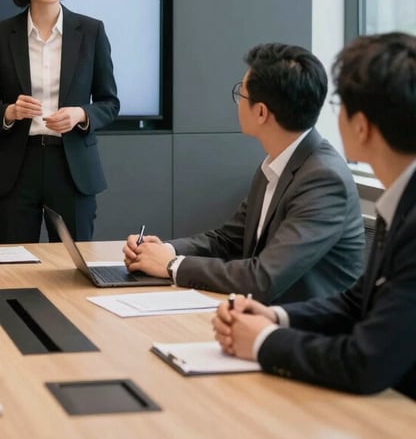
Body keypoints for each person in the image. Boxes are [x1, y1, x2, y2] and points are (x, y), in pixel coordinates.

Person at [213, 32, 416, 399]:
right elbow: (357, 302)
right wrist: (276, 318)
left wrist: (264, 341)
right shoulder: (401, 201)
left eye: (339, 103)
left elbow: (364, 362)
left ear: (362, 126)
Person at [123, 43, 364, 303]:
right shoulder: (277, 164)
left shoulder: (324, 180)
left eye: (242, 94)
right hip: (262, 317)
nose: (238, 102)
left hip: (308, 331)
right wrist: (164, 250)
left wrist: (172, 265)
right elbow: (228, 239)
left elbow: (263, 278)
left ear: (261, 112)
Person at [0, 0, 120, 243]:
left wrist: (81, 114)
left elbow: (109, 102)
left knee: (72, 273)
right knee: (14, 270)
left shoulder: (91, 31)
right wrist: (10, 112)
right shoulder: (0, 35)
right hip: (16, 167)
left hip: (71, 168)